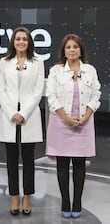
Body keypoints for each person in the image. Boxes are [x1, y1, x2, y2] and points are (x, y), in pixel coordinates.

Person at [45, 34, 101, 218]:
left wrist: (86, 116)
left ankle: (77, 203)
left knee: (79, 165)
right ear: (64, 51)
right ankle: (65, 202)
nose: (72, 50)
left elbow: (96, 94)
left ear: (80, 49)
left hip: (84, 123)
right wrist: (66, 117)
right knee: (62, 165)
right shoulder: (56, 71)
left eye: (75, 47)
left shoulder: (90, 70)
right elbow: (51, 96)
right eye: (68, 47)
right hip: (61, 123)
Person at [0, 27, 45, 215]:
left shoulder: (38, 63)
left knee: (29, 161)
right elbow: (1, 90)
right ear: (13, 42)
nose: (21, 42)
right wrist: (11, 113)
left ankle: (27, 198)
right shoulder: (4, 62)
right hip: (8, 118)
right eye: (18, 39)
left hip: (29, 118)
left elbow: (38, 91)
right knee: (11, 161)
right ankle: (14, 197)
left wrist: (23, 113)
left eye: (24, 39)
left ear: (29, 42)